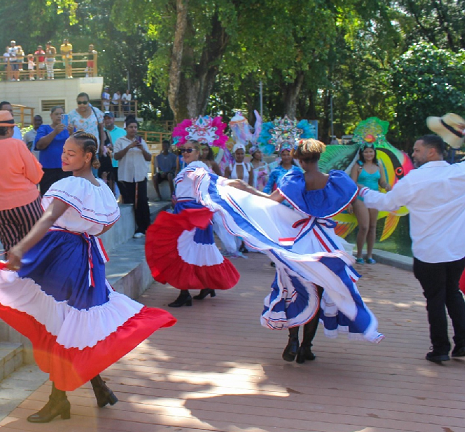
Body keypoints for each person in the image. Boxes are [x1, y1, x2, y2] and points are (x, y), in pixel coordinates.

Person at [0, 132, 176, 424]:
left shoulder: (70, 184)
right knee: (71, 325)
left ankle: (59, 400)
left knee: (63, 327)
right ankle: (97, 388)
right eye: (65, 151)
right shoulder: (103, 189)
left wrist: (22, 246)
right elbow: (103, 228)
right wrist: (75, 234)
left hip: (62, 256)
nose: (65, 156)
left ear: (88, 157)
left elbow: (46, 219)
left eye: (72, 153)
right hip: (86, 257)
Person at [199, 139, 383, 362]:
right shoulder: (334, 180)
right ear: (318, 157)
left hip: (297, 241)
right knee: (319, 289)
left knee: (292, 289)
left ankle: (293, 340)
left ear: (300, 159)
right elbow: (351, 199)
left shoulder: (296, 180)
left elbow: (270, 200)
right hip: (324, 242)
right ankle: (306, 347)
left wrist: (245, 189)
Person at [360, 133, 465, 363]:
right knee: (453, 294)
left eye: (417, 150)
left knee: (436, 299)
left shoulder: (414, 179)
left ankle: (440, 349)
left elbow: (388, 203)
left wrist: (362, 192)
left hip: (429, 253)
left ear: (431, 151)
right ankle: (462, 344)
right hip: (456, 250)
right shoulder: (459, 174)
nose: (413, 155)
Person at [145, 139, 240, 307]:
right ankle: (207, 286)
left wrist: (226, 185)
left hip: (192, 214)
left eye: (189, 150)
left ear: (198, 152)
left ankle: (185, 292)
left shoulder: (197, 168)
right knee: (196, 251)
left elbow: (203, 181)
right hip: (185, 212)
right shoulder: (187, 169)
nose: (185, 153)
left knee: (182, 251)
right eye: (183, 150)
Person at [0, 110, 44, 256]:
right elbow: (36, 176)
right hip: (27, 204)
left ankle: (16, 278)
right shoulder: (17, 145)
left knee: (11, 252)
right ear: (9, 129)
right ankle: (35, 278)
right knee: (34, 248)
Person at [350, 144, 391, 264]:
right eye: (366, 152)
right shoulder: (358, 166)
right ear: (362, 153)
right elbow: (352, 184)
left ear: (374, 153)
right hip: (360, 198)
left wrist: (386, 186)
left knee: (372, 227)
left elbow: (382, 181)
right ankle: (359, 254)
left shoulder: (379, 165)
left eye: (371, 152)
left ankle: (369, 255)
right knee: (364, 227)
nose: (369, 154)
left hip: (374, 198)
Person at [114, 117, 152, 239]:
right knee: (131, 202)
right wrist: (129, 147)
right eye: (131, 127)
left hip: (140, 175)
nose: (133, 129)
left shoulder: (141, 141)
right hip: (126, 176)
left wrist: (141, 148)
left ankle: (145, 227)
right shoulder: (120, 141)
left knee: (142, 201)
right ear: (126, 128)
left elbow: (148, 158)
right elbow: (116, 156)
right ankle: (135, 227)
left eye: (135, 127)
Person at [35, 106, 71, 194]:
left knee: (66, 195)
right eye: (56, 114)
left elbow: (78, 146)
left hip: (66, 168)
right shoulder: (44, 128)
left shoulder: (69, 130)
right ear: (51, 116)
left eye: (61, 114)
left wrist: (72, 133)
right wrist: (55, 132)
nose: (59, 116)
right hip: (48, 169)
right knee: (48, 195)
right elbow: (39, 145)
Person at [67, 93, 104, 158]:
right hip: (78, 150)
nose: (82, 105)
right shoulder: (71, 115)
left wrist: (102, 145)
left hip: (94, 149)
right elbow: (69, 134)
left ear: (88, 102)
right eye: (79, 103)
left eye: (84, 102)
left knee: (94, 168)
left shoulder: (96, 111)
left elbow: (101, 129)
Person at [101, 111, 125, 193]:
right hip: (106, 166)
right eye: (105, 119)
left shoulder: (122, 132)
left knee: (124, 190)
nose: (107, 121)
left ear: (113, 119)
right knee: (109, 191)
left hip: (120, 164)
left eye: (109, 118)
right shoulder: (100, 132)